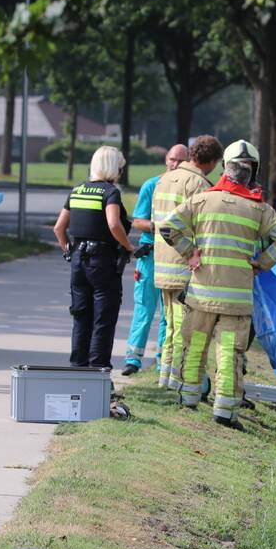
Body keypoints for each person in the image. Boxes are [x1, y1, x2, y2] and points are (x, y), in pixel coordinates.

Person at [159, 139, 276, 429]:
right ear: (252, 173)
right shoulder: (259, 209)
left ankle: (188, 399)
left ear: (225, 168)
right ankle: (224, 411)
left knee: (195, 346)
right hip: (237, 300)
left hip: (201, 296)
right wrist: (262, 263)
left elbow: (168, 227)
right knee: (229, 354)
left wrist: (189, 252)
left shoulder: (202, 199)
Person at [52, 146, 136, 369]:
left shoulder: (77, 190)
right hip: (102, 263)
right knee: (103, 320)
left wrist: (68, 252)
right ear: (113, 167)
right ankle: (98, 374)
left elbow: (59, 228)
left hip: (78, 261)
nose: (120, 171)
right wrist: (128, 247)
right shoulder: (110, 192)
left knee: (81, 317)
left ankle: (77, 369)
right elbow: (113, 224)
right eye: (120, 167)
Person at [152, 135, 223, 389]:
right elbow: (204, 228)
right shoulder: (198, 184)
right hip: (184, 266)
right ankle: (177, 381)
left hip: (162, 263)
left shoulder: (164, 179)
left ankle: (165, 378)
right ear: (213, 162)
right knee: (185, 327)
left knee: (170, 325)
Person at [120, 144, 188, 376]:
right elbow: (136, 220)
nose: (175, 164)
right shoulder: (152, 185)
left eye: (181, 160)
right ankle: (133, 359)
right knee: (144, 307)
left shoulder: (189, 188)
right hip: (151, 254)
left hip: (177, 256)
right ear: (166, 160)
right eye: (172, 159)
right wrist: (161, 228)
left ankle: (163, 360)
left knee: (169, 313)